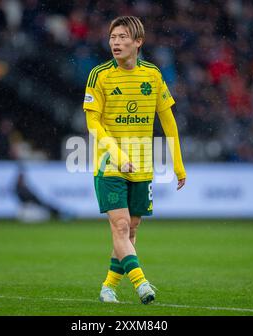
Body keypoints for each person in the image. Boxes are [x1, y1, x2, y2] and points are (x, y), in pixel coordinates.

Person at [83, 16, 186, 304]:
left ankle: (108, 287)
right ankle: (142, 284)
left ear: (138, 42)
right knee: (120, 226)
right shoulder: (99, 75)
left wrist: (178, 164)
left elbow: (169, 123)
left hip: (142, 166)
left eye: (122, 37)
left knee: (131, 230)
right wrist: (117, 156)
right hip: (109, 165)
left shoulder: (152, 75)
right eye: (112, 37)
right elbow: (93, 125)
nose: (115, 42)